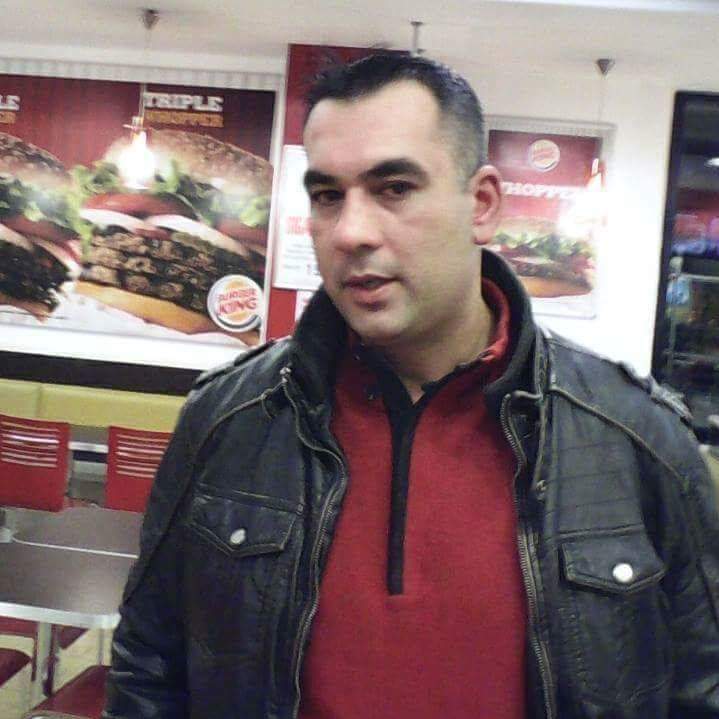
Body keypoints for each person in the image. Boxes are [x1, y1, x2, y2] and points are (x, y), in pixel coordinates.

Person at [103, 54, 719, 719]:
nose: (351, 232)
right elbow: (149, 664)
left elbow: (701, 687)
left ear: (481, 204)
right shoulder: (229, 418)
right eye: (327, 196)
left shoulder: (636, 438)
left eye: (394, 187)